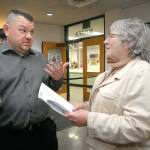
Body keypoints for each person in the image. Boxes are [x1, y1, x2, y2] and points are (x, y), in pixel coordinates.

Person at [66, 18, 150, 150]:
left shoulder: (142, 73)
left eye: (111, 36)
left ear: (129, 42)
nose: (105, 41)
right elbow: (112, 104)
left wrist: (89, 119)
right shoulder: (106, 74)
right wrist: (84, 106)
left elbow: (138, 127)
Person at [0, 9, 69, 150]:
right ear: (7, 30)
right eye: (23, 30)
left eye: (32, 32)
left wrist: (57, 79)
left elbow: (50, 89)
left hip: (44, 132)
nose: (29, 36)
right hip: (8, 137)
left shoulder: (40, 58)